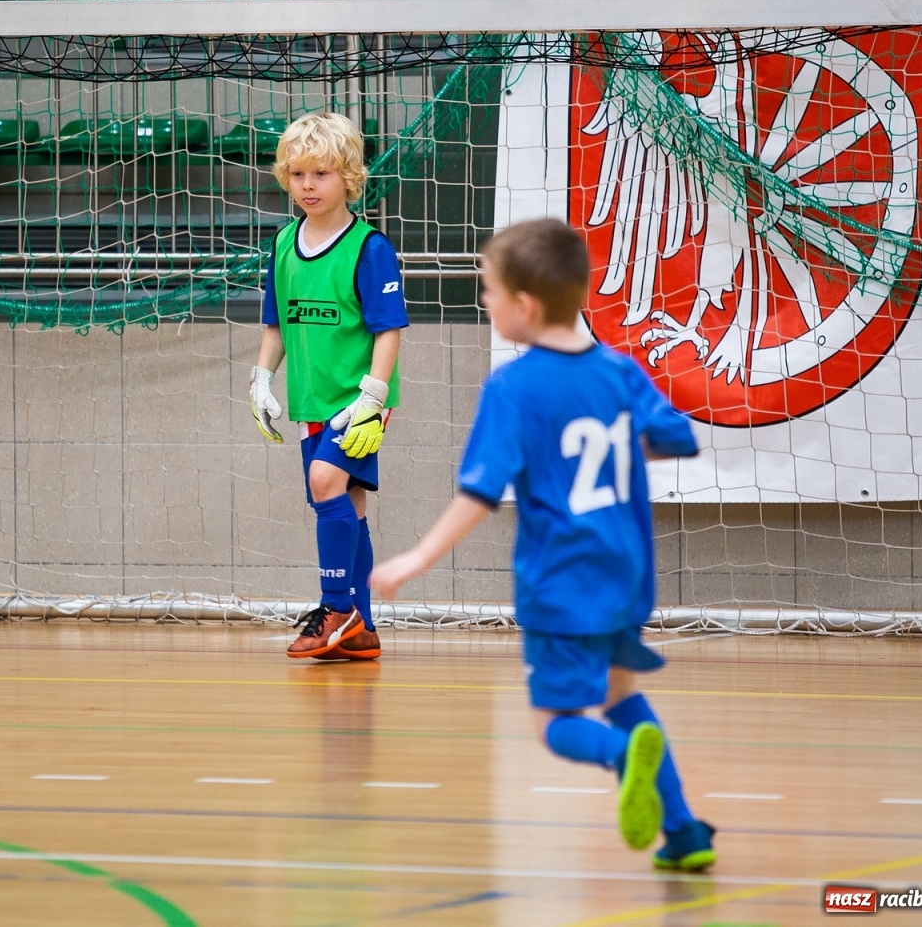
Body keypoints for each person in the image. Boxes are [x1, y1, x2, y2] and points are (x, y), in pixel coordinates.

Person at [371, 218, 716, 871]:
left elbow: (479, 492)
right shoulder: (619, 371)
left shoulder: (514, 386)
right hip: (627, 574)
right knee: (620, 697)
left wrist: (417, 558)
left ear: (525, 306)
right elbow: (676, 437)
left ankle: (622, 757)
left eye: (489, 291)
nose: (484, 302)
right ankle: (684, 833)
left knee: (555, 725)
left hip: (562, 581)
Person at [249, 112, 408, 661]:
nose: (308, 185)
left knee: (324, 483)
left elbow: (388, 330)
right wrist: (261, 379)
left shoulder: (369, 248)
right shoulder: (283, 244)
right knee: (347, 504)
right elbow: (276, 325)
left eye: (321, 173)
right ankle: (361, 629)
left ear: (349, 176)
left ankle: (336, 607)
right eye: (298, 174)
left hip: (360, 399)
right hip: (310, 400)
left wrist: (373, 398)